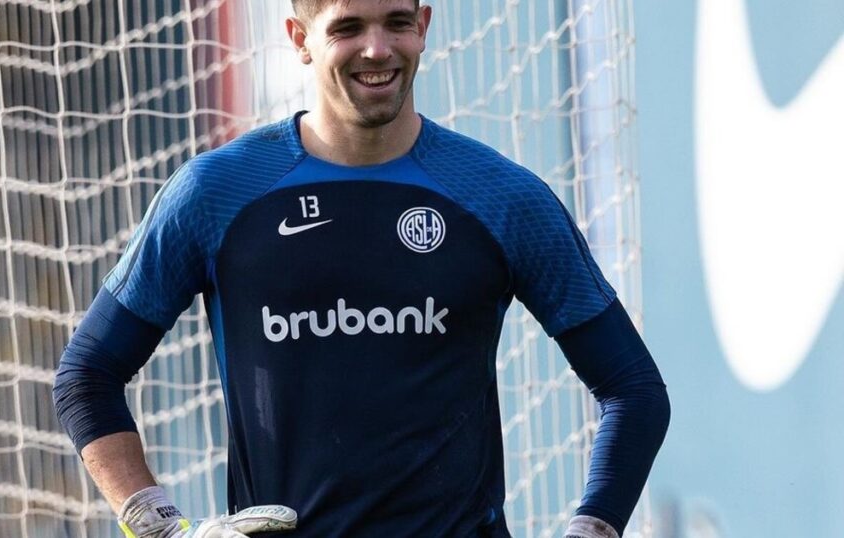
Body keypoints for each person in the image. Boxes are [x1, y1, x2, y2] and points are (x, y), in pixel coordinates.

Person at [53, 0, 671, 536]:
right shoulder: (216, 194)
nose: (377, 49)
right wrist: (160, 526)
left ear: (423, 27)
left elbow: (635, 391)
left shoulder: (503, 198)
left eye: (397, 23)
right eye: (347, 27)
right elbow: (87, 374)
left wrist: (593, 527)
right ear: (299, 39)